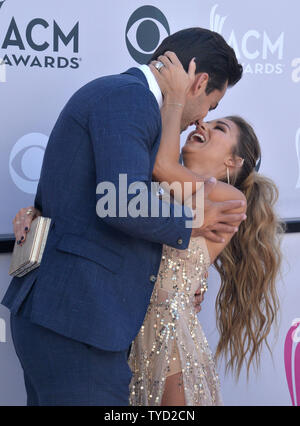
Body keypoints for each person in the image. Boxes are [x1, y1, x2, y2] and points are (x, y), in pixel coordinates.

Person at [3, 28, 245, 406]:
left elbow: (82, 195)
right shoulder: (130, 99)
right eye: (210, 107)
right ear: (199, 83)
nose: (201, 121)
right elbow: (119, 202)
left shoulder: (124, 97)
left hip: (81, 322)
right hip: (77, 323)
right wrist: (193, 223)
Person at [128, 54, 284, 406]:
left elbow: (163, 166)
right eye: (208, 120)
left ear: (234, 162)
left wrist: (175, 99)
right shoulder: (157, 180)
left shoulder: (227, 198)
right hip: (127, 336)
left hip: (171, 343)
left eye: (219, 128)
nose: (203, 125)